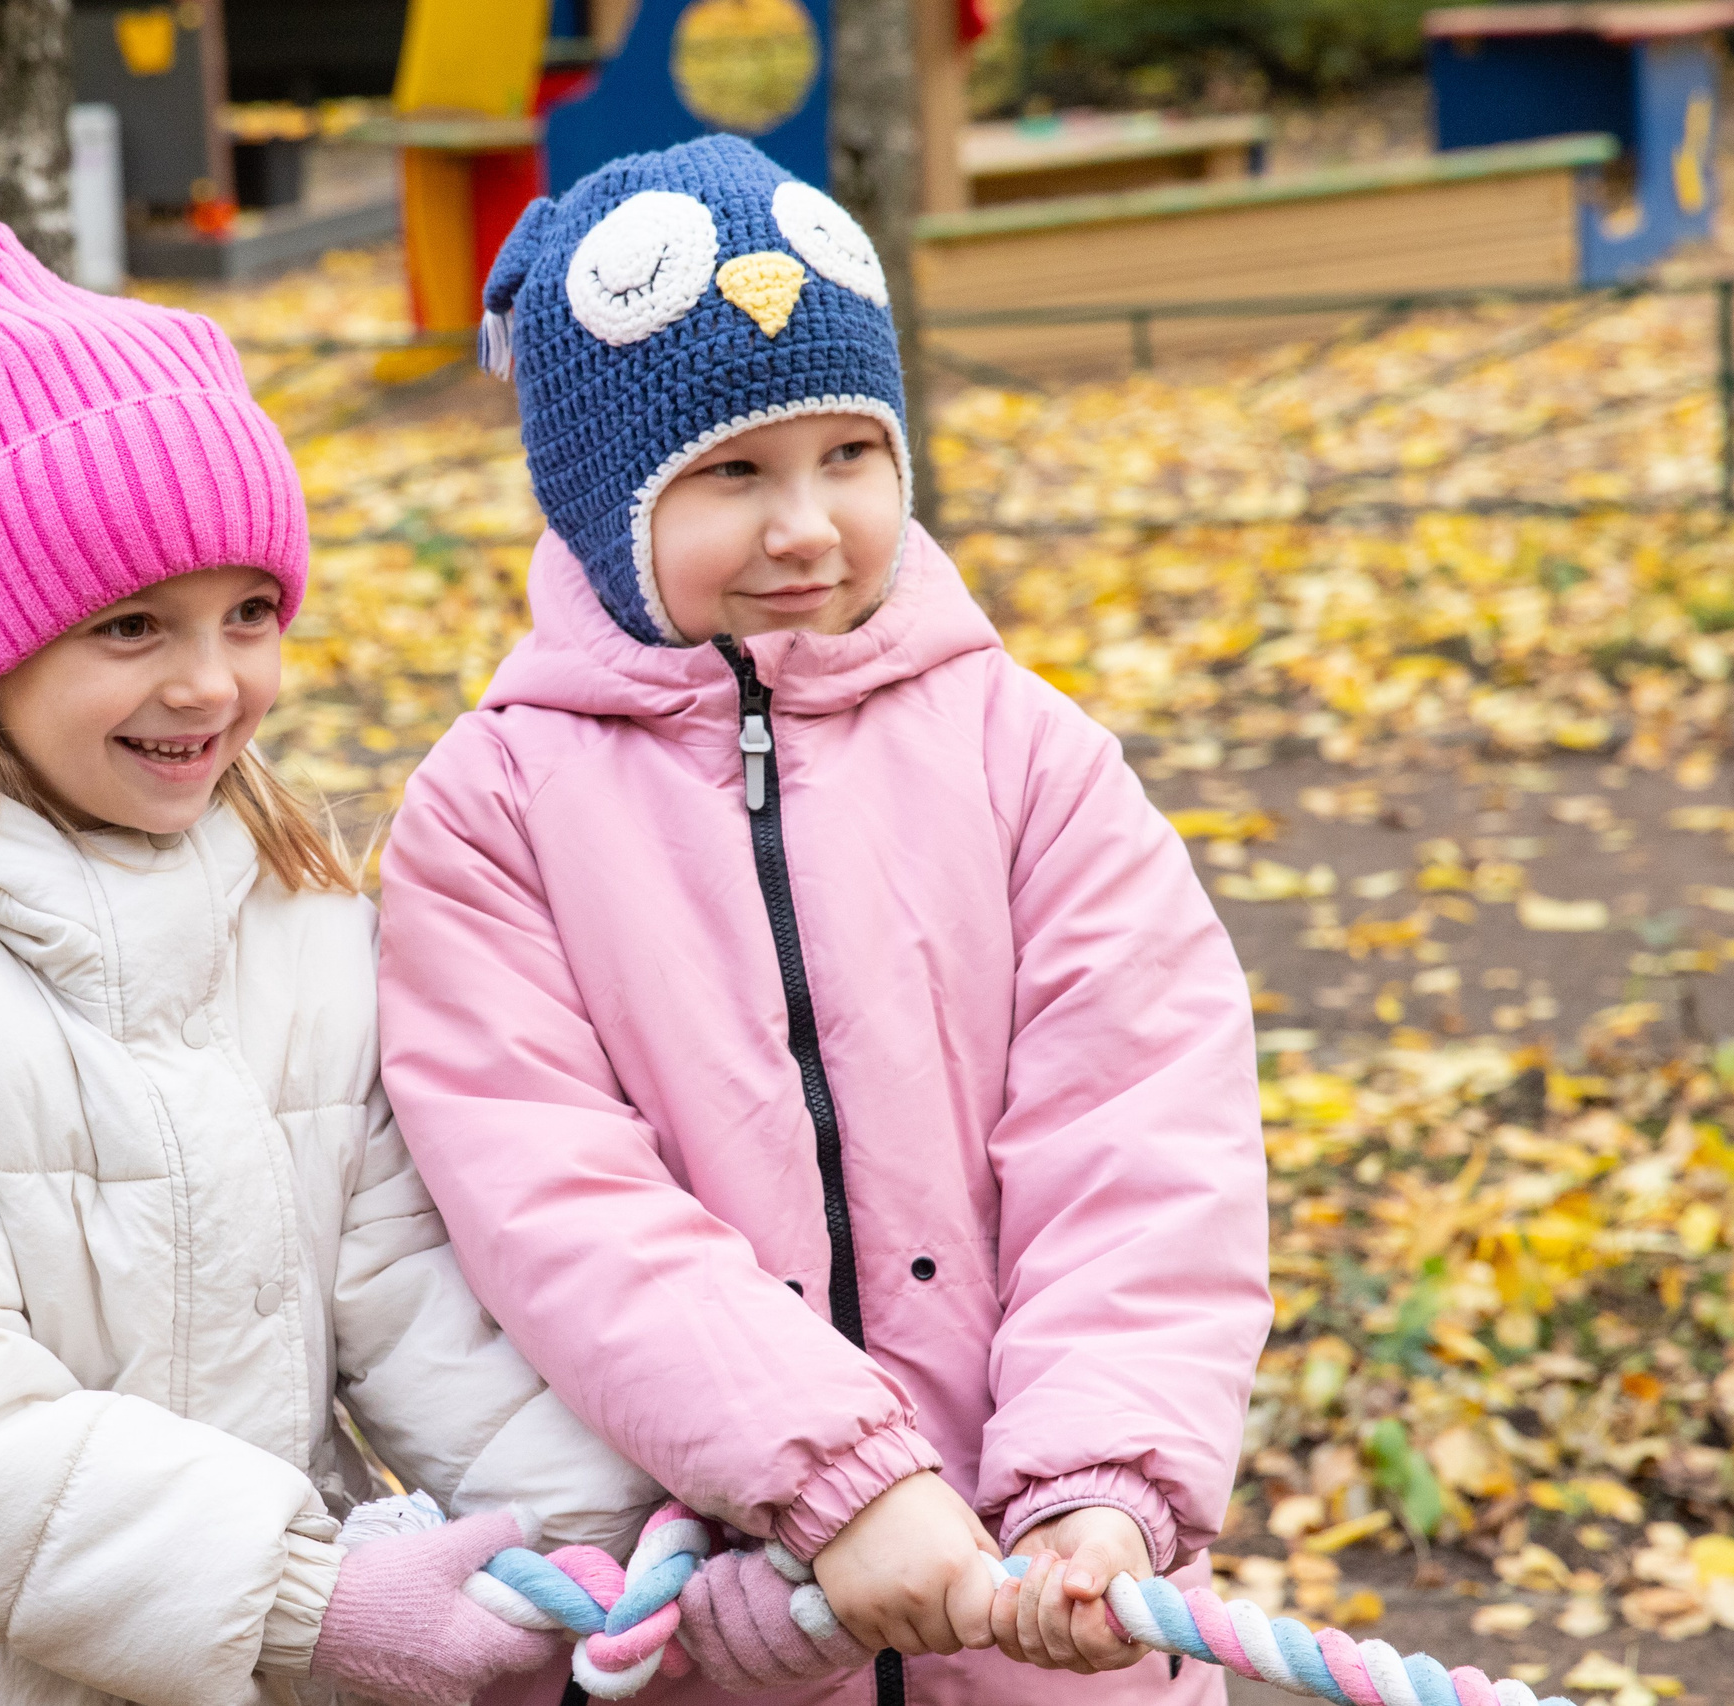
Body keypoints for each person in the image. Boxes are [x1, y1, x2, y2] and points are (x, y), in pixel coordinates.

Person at [0, 221, 662, 1706]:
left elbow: (406, 1293)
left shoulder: (303, 933)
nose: (208, 683)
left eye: (248, 614)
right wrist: (305, 1593)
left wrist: (611, 1540)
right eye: (131, 626)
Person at [376, 136, 1273, 1706]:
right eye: (733, 473)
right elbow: (556, 1201)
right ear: (604, 502)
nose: (806, 527)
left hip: (1042, 1608)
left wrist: (1097, 1481)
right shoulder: (492, 811)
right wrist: (837, 1478)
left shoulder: (1029, 759)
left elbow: (1144, 1131)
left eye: (848, 455)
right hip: (732, 1621)